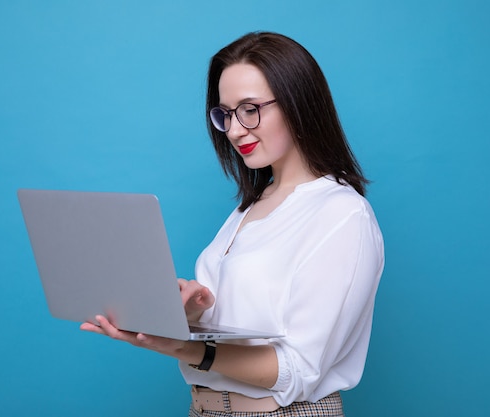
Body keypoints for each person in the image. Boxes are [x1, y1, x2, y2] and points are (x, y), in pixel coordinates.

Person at [80, 31, 384, 417]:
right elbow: (247, 322)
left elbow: (299, 370)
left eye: (250, 109)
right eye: (225, 113)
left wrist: (185, 348)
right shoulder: (249, 208)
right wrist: (187, 315)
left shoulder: (342, 214)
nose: (235, 130)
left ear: (299, 104)